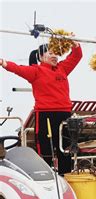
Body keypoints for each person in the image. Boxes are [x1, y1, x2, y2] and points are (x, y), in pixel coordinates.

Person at [0, 41, 82, 175]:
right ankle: (45, 177)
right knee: (46, 150)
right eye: (50, 53)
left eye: (56, 53)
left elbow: (76, 56)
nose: (55, 56)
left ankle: (65, 178)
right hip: (46, 115)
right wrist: (3, 62)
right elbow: (18, 68)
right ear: (41, 56)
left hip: (65, 115)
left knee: (65, 150)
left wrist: (75, 44)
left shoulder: (63, 68)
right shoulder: (35, 71)